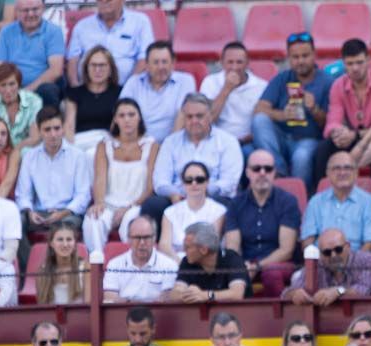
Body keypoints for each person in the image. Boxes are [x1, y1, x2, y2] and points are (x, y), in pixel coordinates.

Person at [145, 94, 242, 230]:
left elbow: (230, 182)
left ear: (210, 116)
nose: (194, 121)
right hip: (177, 198)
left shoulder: (228, 141)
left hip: (213, 198)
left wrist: (200, 192)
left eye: (199, 116)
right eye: (189, 117)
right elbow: (160, 182)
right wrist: (177, 194)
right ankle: (162, 247)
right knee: (153, 205)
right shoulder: (170, 142)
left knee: (227, 205)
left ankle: (220, 250)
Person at [250, 31, 333, 190]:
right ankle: (279, 172)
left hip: (308, 139)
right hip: (281, 137)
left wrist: (314, 109)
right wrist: (282, 115)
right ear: (289, 58)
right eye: (295, 57)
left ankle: (299, 197)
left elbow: (329, 125)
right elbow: (259, 108)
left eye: (305, 56)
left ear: (314, 55)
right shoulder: (283, 78)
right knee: (259, 120)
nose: (300, 61)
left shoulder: (326, 81)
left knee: (302, 157)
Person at [15, 106, 92, 270]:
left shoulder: (77, 155)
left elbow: (83, 196)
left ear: (63, 128)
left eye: (57, 128)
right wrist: (30, 212)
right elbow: (23, 195)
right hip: (39, 214)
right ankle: (32, 270)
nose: (53, 134)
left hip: (67, 214)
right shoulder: (30, 156)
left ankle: (63, 273)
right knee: (15, 222)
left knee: (66, 227)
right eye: (47, 129)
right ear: (39, 131)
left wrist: (61, 214)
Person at [83, 99, 157, 253]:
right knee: (92, 220)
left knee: (132, 221)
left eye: (131, 114)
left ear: (139, 118)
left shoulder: (152, 145)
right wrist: (99, 203)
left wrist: (127, 209)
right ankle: (97, 266)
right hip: (109, 205)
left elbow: (150, 188)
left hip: (136, 205)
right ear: (115, 120)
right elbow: (100, 178)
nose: (127, 120)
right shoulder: (104, 145)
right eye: (122, 115)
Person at [222, 150, 301, 289]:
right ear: (247, 172)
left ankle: (279, 311)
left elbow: (286, 250)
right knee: (226, 272)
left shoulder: (288, 201)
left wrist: (258, 266)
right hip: (245, 264)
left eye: (268, 169)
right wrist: (242, 267)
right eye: (256, 168)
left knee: (271, 273)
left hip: (279, 265)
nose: (262, 173)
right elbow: (232, 248)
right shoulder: (235, 204)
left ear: (274, 173)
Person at [319, 38, 371, 178]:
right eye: (350, 63)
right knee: (323, 148)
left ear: (368, 60)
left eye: (359, 62)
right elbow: (332, 123)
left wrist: (355, 135)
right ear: (344, 64)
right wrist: (338, 133)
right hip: (351, 136)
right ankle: (320, 193)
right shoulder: (338, 85)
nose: (355, 68)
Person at [118, 40, 194, 143]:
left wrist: (169, 147)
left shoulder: (185, 81)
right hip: (138, 144)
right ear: (147, 65)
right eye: (156, 62)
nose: (160, 67)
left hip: (174, 143)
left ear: (173, 63)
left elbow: (184, 114)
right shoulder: (134, 82)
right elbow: (122, 112)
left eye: (164, 62)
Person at [201, 41, 268, 158]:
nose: (235, 67)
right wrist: (226, 89)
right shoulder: (210, 82)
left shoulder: (261, 86)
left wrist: (245, 139)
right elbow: (208, 119)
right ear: (221, 63)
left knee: (248, 155)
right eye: (230, 62)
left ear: (247, 63)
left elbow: (263, 124)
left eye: (239, 62)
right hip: (217, 142)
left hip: (248, 142)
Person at [301, 151, 371, 250]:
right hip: (323, 259)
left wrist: (355, 263)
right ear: (328, 173)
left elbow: (369, 243)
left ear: (356, 173)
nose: (342, 173)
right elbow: (308, 241)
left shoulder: (369, 202)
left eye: (347, 168)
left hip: (356, 260)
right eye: (336, 168)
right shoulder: (315, 202)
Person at [65, 0, 153, 87]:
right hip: (88, 91)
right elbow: (72, 60)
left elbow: (145, 58)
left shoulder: (140, 22)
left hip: (126, 89)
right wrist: (75, 88)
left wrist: (129, 89)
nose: (104, 1)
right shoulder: (82, 26)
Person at [0, 0, 63, 108]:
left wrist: (25, 92)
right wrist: (11, 89)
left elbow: (55, 70)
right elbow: (0, 67)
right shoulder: (6, 32)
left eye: (35, 9)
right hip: (12, 85)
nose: (30, 14)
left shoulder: (54, 31)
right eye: (25, 10)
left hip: (41, 87)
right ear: (16, 12)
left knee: (48, 91)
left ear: (43, 9)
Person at [283, 228, 371, 304]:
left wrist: (338, 292)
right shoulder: (316, 264)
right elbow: (286, 293)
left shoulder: (366, 260)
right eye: (327, 252)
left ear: (348, 246)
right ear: (320, 254)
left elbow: (365, 289)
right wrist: (294, 294)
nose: (333, 255)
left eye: (338, 250)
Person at [101, 215, 178, 303]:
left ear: (154, 238)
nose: (142, 243)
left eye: (146, 237)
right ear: (128, 239)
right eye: (137, 237)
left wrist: (128, 301)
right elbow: (110, 298)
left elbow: (167, 298)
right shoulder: (114, 265)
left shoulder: (169, 265)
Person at [158, 162, 225, 260]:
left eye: (200, 179)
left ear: (207, 182)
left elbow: (210, 245)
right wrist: (180, 262)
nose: (194, 183)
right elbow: (164, 245)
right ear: (183, 183)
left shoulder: (219, 211)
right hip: (175, 262)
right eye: (189, 180)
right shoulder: (169, 212)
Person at [168, 221, 248, 303]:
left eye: (187, 247)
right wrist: (190, 295)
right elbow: (174, 295)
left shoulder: (232, 258)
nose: (184, 250)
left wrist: (206, 295)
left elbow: (237, 294)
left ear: (204, 250)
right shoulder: (187, 262)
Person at [62, 45, 121, 153]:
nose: (97, 70)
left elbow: (117, 127)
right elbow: (69, 125)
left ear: (111, 69)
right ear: (86, 68)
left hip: (105, 141)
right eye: (93, 65)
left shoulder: (120, 93)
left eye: (102, 65)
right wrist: (70, 150)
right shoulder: (75, 93)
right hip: (79, 140)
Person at [0, 61, 40, 147]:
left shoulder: (33, 101)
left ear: (19, 84)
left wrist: (14, 152)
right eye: (3, 85)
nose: (8, 90)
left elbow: (34, 138)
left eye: (12, 84)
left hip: (25, 152)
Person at [34, 219, 88, 304]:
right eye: (60, 239)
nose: (65, 244)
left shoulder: (85, 268)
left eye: (69, 239)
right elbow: (42, 306)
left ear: (75, 243)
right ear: (51, 243)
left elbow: (89, 306)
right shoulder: (43, 270)